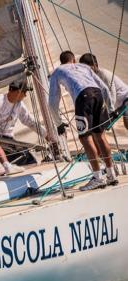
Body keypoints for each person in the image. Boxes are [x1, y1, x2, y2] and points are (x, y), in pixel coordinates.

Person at [49, 50, 117, 190]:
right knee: (100, 135)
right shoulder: (84, 67)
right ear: (73, 60)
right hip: (98, 94)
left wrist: (58, 123)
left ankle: (98, 178)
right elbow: (104, 88)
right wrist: (110, 109)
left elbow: (52, 101)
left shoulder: (58, 71)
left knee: (85, 138)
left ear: (62, 61)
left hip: (83, 97)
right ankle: (111, 174)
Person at [0, 81, 48, 165]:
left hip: (9, 140)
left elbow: (29, 121)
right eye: (24, 93)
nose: (25, 96)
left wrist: (46, 135)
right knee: (21, 157)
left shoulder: (20, 105)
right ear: (18, 92)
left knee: (28, 157)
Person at [78, 53, 128, 130]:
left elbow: (111, 94)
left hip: (125, 98)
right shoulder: (92, 77)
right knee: (105, 126)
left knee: (127, 122)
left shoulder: (104, 74)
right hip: (118, 103)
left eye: (88, 68)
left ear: (95, 65)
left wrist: (110, 112)